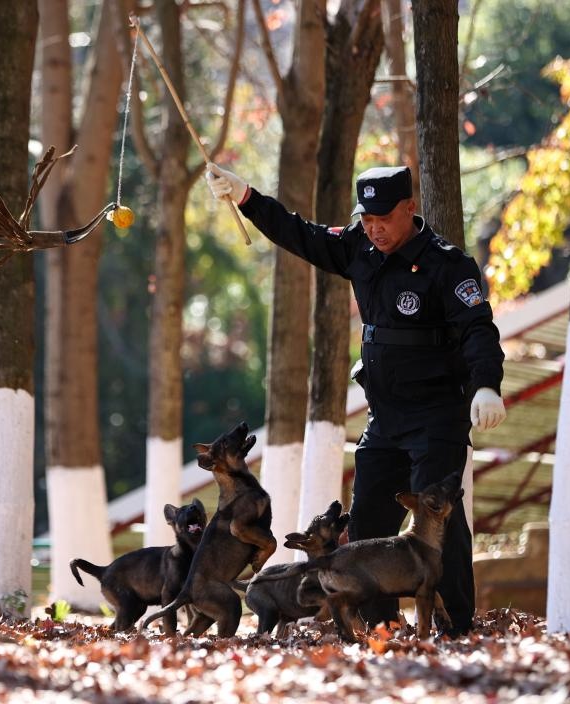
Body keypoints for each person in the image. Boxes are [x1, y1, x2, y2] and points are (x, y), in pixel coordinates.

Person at [205, 163, 506, 636]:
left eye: (383, 217)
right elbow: (298, 234)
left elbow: (477, 331)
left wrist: (487, 383)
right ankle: (378, 624)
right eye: (366, 218)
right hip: (384, 417)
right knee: (367, 518)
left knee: (437, 521)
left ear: (410, 208)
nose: (374, 228)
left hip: (436, 415)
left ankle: (456, 623)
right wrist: (246, 197)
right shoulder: (358, 247)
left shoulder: (448, 265)